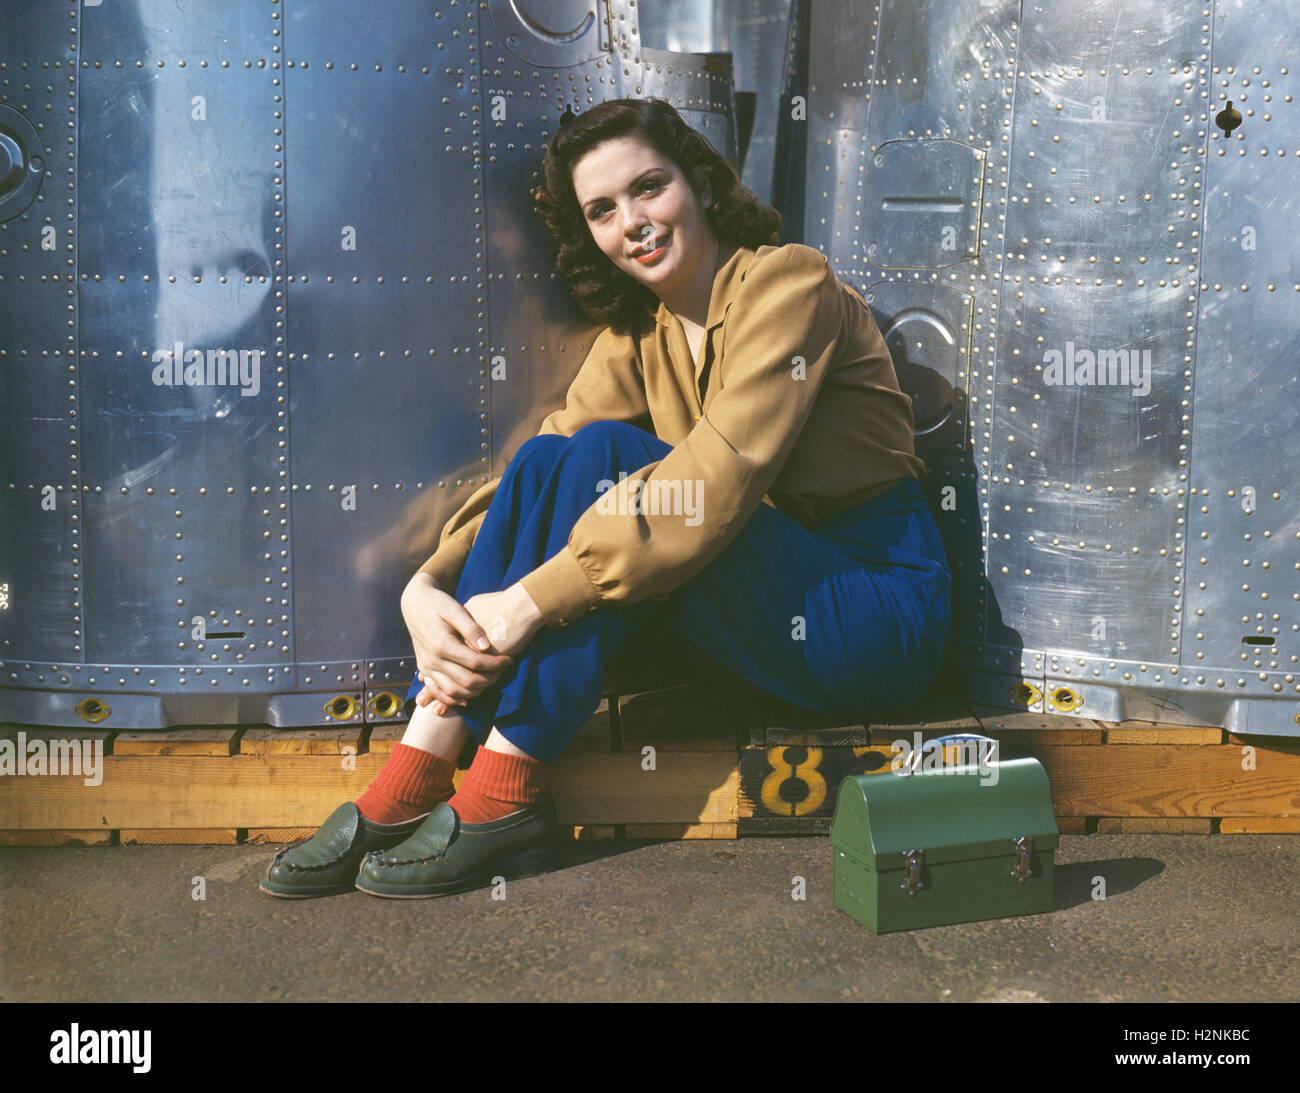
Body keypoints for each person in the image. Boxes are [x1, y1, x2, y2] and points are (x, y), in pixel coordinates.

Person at [261, 98, 951, 900]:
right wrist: (427, 584)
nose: (634, 221)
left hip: (870, 609)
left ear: (697, 181)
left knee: (608, 458)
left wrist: (528, 602)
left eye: (648, 187)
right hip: (751, 626)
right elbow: (534, 470)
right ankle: (421, 760)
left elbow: (713, 486)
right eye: (603, 210)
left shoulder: (789, 283)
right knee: (559, 455)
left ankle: (501, 794)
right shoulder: (640, 338)